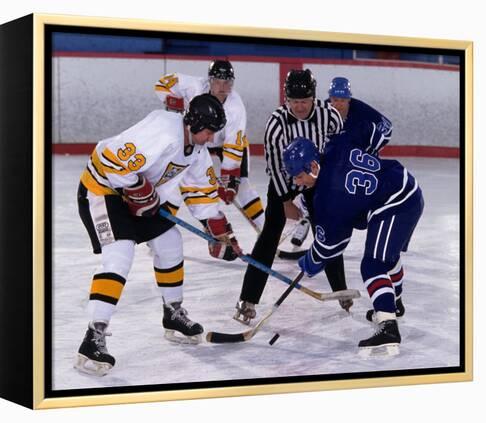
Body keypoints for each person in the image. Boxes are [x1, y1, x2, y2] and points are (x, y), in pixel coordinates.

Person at [74, 94, 243, 376]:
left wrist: (219, 232)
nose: (211, 137)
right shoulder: (164, 129)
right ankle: (93, 336)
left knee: (170, 243)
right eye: (209, 131)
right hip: (102, 190)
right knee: (120, 255)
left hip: (139, 198)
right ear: (195, 123)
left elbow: (201, 193)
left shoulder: (198, 152)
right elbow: (107, 158)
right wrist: (138, 187)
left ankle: (173, 313)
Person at [283, 131, 424, 356]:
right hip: (405, 187)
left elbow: (331, 247)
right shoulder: (335, 146)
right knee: (388, 256)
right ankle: (394, 304)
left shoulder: (329, 197)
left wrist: (309, 262)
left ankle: (388, 327)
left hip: (395, 203)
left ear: (313, 166)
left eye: (299, 176)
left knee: (372, 264)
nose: (298, 182)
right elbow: (371, 134)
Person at [234, 68, 349, 325]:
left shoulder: (329, 117)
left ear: (314, 97)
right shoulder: (276, 124)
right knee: (269, 237)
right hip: (285, 181)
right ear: (286, 99)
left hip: (317, 180)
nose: (299, 107)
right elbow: (274, 166)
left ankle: (340, 289)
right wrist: (286, 201)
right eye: (294, 101)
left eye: (304, 101)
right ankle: (247, 300)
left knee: (326, 232)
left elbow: (338, 152)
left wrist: (332, 187)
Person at [154, 60, 265, 230]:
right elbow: (162, 83)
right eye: (217, 81)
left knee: (242, 186)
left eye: (227, 82)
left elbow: (233, 145)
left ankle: (266, 230)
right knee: (175, 184)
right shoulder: (194, 86)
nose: (222, 86)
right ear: (209, 80)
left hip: (224, 145)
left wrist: (230, 180)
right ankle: (159, 230)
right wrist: (178, 104)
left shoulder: (236, 107)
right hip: (198, 139)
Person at [328, 76, 393, 156]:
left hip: (359, 160)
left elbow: (387, 128)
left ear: (349, 99)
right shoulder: (323, 111)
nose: (338, 104)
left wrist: (370, 151)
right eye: (335, 100)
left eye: (343, 100)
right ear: (330, 98)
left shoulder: (360, 109)